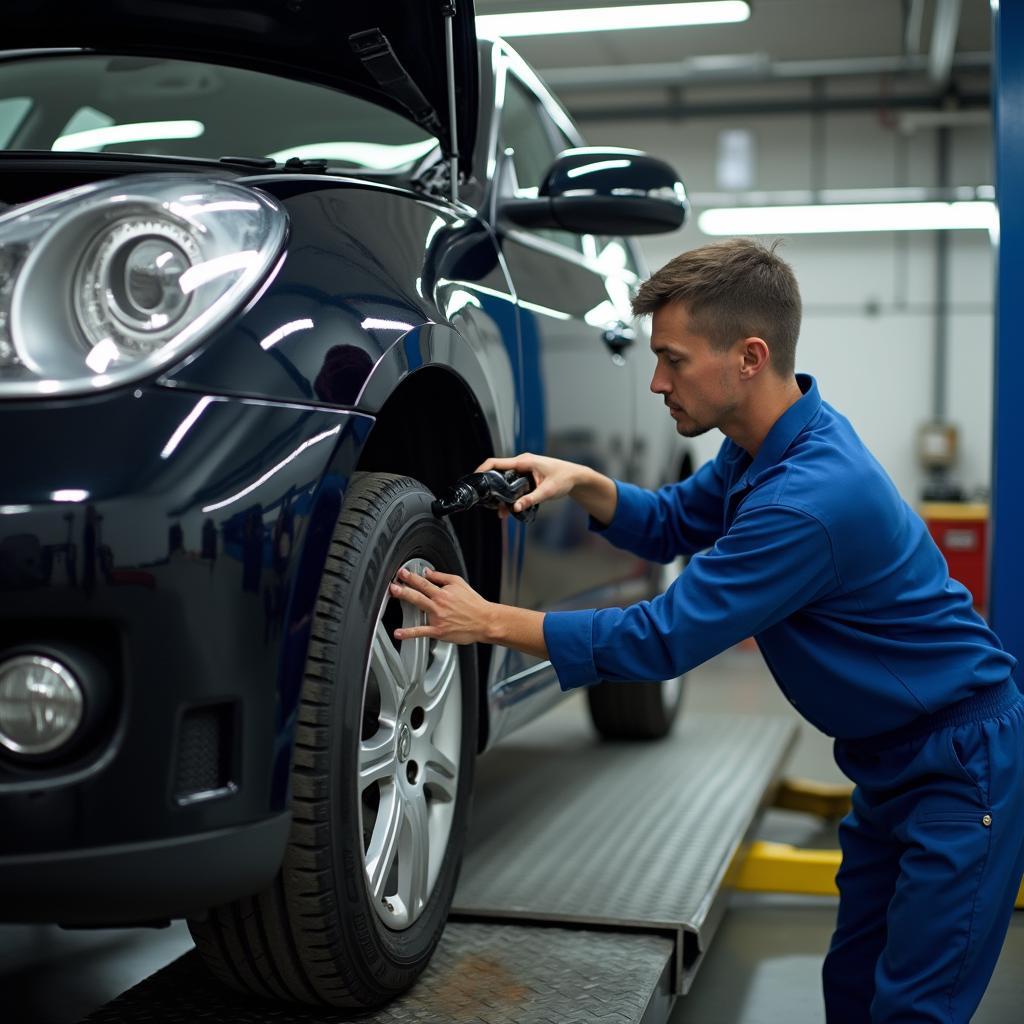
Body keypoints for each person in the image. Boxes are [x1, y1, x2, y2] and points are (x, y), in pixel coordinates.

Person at [388, 238, 1024, 1023]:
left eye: (673, 360)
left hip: (960, 768)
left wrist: (488, 621)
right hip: (892, 763)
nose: (656, 382)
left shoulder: (809, 501)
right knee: (854, 990)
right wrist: (583, 482)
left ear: (749, 357)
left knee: (911, 1012)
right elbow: (673, 523)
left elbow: (663, 639)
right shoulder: (764, 446)